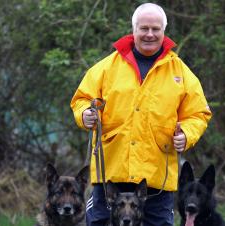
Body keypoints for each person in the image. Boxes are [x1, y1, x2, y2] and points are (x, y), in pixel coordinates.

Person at [70, 3, 212, 226]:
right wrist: (85, 114)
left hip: (157, 179)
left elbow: (199, 113)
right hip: (110, 177)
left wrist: (186, 133)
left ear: (164, 31)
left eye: (155, 29)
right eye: (144, 28)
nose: (149, 34)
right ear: (133, 29)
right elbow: (81, 100)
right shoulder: (106, 68)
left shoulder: (181, 73)